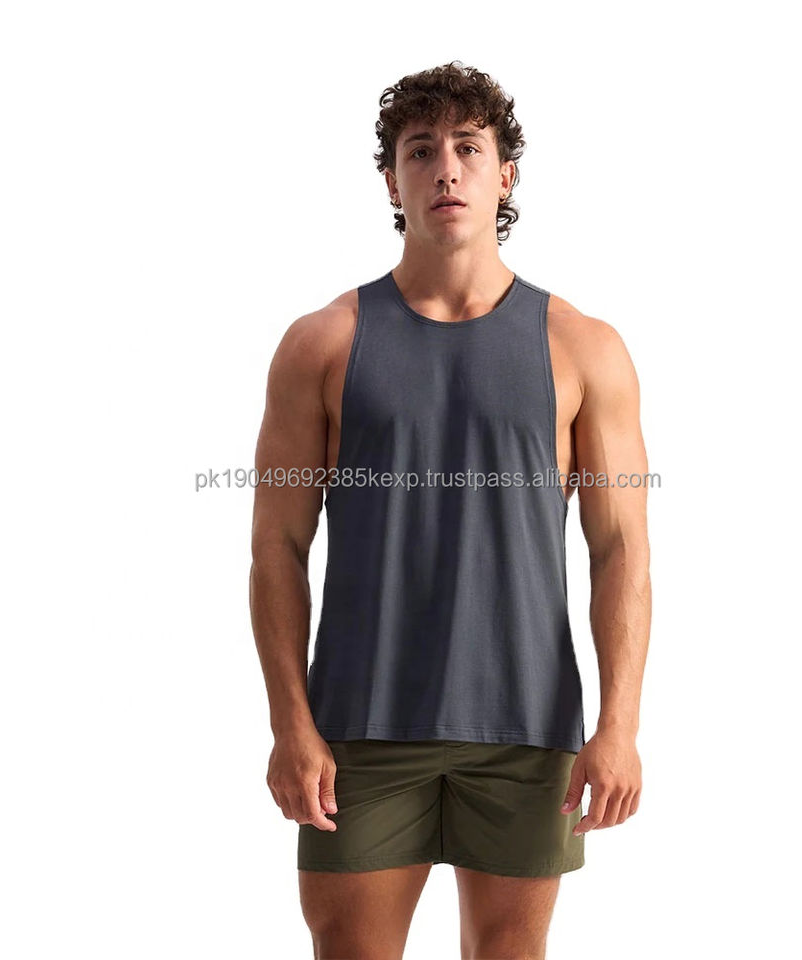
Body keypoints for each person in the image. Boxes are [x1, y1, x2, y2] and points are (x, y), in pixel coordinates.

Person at [250, 61, 651, 960]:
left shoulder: (583, 346)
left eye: (469, 148)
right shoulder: (323, 342)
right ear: (391, 179)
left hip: (527, 728)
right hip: (358, 727)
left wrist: (619, 724)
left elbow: (621, 546)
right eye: (420, 150)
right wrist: (290, 723)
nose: (446, 169)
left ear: (505, 174)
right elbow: (277, 545)